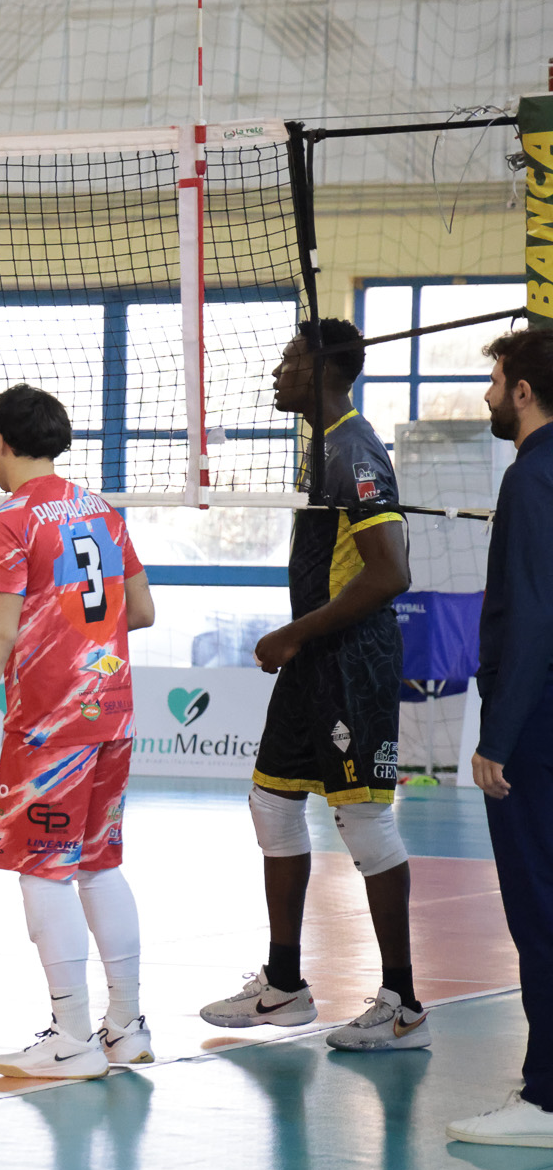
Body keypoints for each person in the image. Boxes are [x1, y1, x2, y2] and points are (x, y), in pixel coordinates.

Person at [0, 384, 156, 1078]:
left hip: (51, 721)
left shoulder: (10, 521)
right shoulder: (102, 512)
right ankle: (126, 1027)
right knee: (99, 865)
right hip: (113, 709)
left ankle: (72, 1037)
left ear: (0, 442)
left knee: (43, 871)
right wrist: (81, 628)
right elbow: (141, 610)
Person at [200, 319, 422, 1051]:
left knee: (364, 824)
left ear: (323, 369)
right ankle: (285, 987)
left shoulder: (354, 450)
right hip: (314, 659)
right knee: (272, 801)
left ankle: (402, 1005)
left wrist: (295, 633)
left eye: (289, 360)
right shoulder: (321, 448)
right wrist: (301, 641)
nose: (277, 373)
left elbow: (390, 573)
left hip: (351, 662)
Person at [446, 327, 553, 1148]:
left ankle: (545, 1101)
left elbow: (531, 615)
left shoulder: (531, 476)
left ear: (522, 390)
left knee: (540, 910)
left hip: (538, 734)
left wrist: (498, 737)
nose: (487, 394)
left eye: (494, 380)